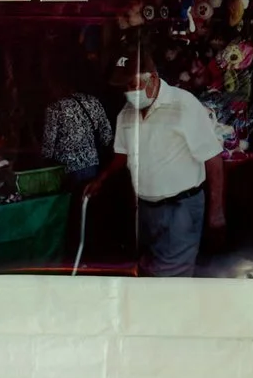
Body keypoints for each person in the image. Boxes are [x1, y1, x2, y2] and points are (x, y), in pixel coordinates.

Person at [83, 49, 225, 276]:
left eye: (134, 84)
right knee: (150, 270)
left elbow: (212, 158)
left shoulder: (184, 105)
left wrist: (216, 211)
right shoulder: (126, 114)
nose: (130, 92)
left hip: (181, 209)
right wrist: (101, 179)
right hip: (146, 210)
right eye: (125, 87)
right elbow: (122, 155)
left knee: (171, 278)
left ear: (153, 78)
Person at [41, 85, 117, 189]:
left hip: (66, 167)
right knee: (87, 196)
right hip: (91, 163)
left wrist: (43, 162)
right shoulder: (93, 102)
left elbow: (48, 143)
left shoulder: (55, 107)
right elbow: (107, 136)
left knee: (71, 197)